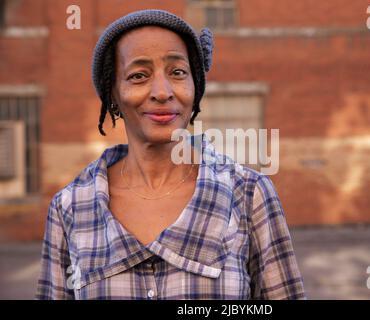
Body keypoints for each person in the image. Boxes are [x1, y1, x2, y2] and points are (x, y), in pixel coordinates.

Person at [36, 9, 305, 300]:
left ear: (195, 86)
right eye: (138, 75)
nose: (162, 92)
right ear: (112, 92)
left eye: (177, 72)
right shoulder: (72, 207)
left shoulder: (249, 194)